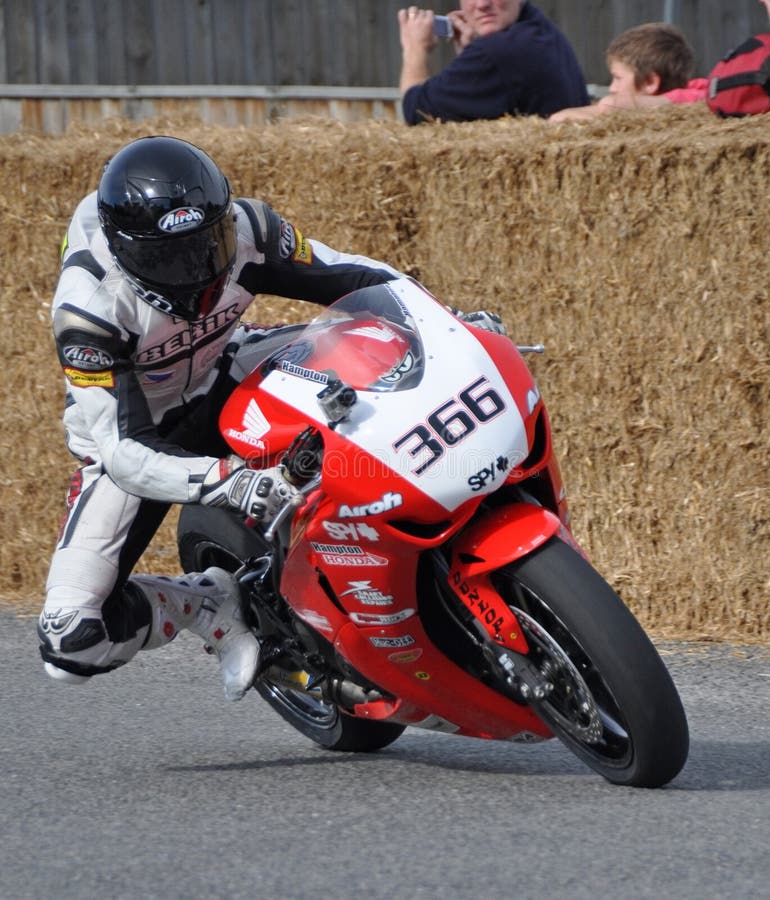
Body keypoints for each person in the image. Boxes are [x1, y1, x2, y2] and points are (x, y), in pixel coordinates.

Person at [38, 135, 504, 704]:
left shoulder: (249, 230)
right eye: (168, 258)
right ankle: (206, 603)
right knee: (70, 641)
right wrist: (225, 480)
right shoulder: (87, 311)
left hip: (228, 370)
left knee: (374, 346)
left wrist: (447, 325)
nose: (196, 269)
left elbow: (358, 277)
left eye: (206, 243)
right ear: (126, 251)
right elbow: (123, 451)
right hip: (141, 439)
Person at [397, 1, 589, 124]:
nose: (482, 4)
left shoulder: (498, 51)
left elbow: (417, 112)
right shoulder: (541, 30)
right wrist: (470, 52)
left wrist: (416, 49)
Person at [549, 23, 707, 123]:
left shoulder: (690, 98)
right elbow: (558, 118)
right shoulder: (695, 91)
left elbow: (609, 105)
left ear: (650, 82)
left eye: (618, 78)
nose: (612, 88)